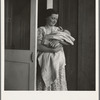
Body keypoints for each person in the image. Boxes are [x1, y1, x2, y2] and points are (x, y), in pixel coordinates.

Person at [37, 9, 75, 91]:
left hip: (58, 60)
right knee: (46, 80)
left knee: (58, 81)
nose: (54, 20)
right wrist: (52, 50)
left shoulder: (59, 30)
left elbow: (69, 41)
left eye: (56, 19)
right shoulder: (41, 29)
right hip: (47, 60)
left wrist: (57, 40)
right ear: (46, 18)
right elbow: (38, 46)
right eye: (52, 18)